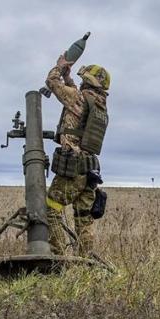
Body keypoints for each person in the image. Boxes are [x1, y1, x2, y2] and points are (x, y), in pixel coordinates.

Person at [44, 54, 110, 257]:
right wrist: (69, 78)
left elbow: (52, 83)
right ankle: (85, 263)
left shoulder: (79, 98)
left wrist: (59, 68)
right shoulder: (99, 105)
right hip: (89, 170)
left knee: (50, 211)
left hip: (72, 169)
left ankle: (57, 259)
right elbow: (76, 97)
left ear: (89, 82)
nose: (80, 83)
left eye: (83, 80)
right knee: (84, 218)